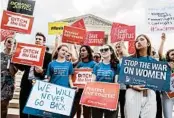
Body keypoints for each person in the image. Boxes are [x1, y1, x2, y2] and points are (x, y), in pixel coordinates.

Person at [16, 32, 52, 118]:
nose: (37, 40)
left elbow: (49, 70)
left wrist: (42, 71)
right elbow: (21, 67)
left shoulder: (48, 56)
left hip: (39, 84)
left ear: (44, 42)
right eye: (36, 39)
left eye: (40, 39)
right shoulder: (28, 52)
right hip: (26, 83)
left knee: (36, 109)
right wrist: (15, 57)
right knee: (23, 106)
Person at [124, 34, 157, 118]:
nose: (138, 42)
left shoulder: (154, 62)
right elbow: (124, 78)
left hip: (150, 94)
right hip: (133, 92)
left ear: (148, 43)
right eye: (136, 41)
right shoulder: (129, 59)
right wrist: (132, 86)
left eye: (141, 39)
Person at [46, 44, 75, 118]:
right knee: (53, 113)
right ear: (58, 51)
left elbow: (70, 78)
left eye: (66, 51)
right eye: (63, 50)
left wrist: (72, 87)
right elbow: (48, 78)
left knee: (63, 114)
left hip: (65, 91)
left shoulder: (69, 64)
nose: (64, 52)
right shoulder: (51, 64)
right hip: (53, 91)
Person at [92, 44, 119, 118]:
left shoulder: (116, 65)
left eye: (106, 49)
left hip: (111, 97)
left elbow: (116, 83)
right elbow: (93, 81)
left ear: (111, 52)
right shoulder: (97, 66)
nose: (103, 51)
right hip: (97, 96)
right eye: (101, 50)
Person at [71, 45, 96, 118]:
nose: (81, 52)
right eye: (80, 51)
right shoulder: (79, 63)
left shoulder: (94, 64)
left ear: (88, 52)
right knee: (73, 109)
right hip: (78, 91)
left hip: (88, 92)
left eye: (83, 50)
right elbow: (73, 75)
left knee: (86, 113)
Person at [1, 37, 18, 118]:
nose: (11, 44)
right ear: (4, 43)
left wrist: (11, 60)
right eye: (9, 41)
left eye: (14, 43)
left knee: (3, 105)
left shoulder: (16, 58)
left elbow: (13, 72)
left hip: (8, 83)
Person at [158, 33, 174, 118]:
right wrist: (162, 41)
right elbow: (160, 53)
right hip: (167, 95)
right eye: (172, 54)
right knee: (168, 116)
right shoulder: (165, 63)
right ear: (168, 56)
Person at [115, 40, 129, 118]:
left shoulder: (126, 58)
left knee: (124, 108)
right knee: (115, 108)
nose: (117, 48)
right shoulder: (115, 60)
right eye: (116, 47)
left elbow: (127, 56)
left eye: (119, 46)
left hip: (125, 87)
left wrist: (122, 45)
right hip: (116, 87)